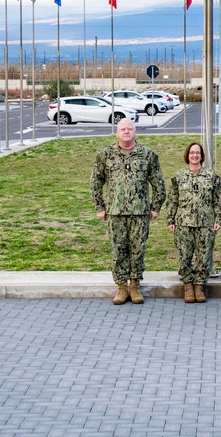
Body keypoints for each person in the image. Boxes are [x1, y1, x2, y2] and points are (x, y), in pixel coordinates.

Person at [90, 118, 165, 305]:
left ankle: (135, 285)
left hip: (140, 213)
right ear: (117, 132)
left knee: (137, 250)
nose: (126, 132)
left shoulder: (148, 155)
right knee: (118, 251)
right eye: (123, 129)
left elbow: (158, 184)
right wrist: (100, 207)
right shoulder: (106, 155)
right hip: (115, 212)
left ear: (135, 132)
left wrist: (155, 207)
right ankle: (121, 287)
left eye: (129, 129)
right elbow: (95, 182)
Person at [165, 142, 221, 304]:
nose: (195, 155)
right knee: (185, 256)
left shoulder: (211, 176)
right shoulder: (179, 176)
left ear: (202, 156)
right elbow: (172, 200)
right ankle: (188, 286)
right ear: (187, 155)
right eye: (192, 153)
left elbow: (217, 199)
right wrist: (170, 219)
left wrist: (218, 219)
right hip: (183, 222)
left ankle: (199, 286)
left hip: (206, 223)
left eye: (198, 153)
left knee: (204, 257)